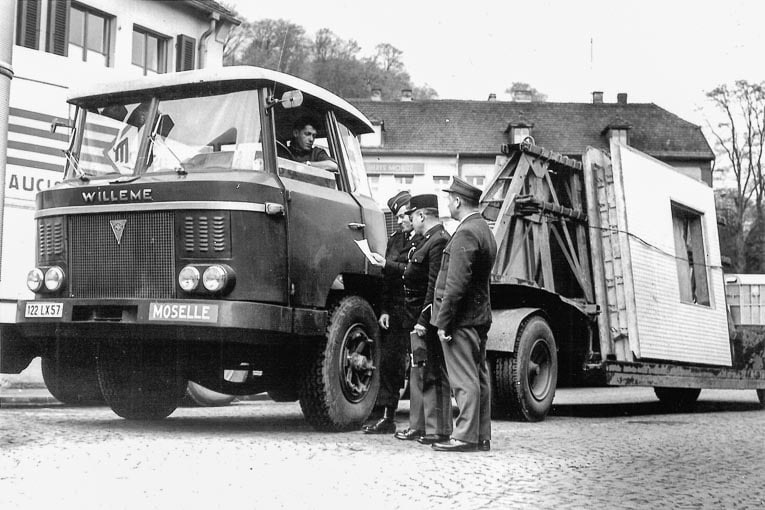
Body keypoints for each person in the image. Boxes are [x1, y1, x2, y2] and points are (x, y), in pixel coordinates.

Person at [430, 176, 497, 453]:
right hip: (478, 317)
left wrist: (444, 322)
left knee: (464, 379)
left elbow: (455, 284)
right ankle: (481, 436)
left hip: (462, 319)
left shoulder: (466, 232)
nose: (448, 202)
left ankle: (465, 437)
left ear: (457, 201)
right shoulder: (483, 229)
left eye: (449, 198)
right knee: (479, 377)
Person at [392, 194, 453, 445]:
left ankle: (437, 429)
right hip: (414, 317)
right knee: (419, 372)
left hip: (424, 319)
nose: (408, 219)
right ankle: (420, 426)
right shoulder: (426, 240)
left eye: (411, 215)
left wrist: (423, 320)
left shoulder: (438, 240)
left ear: (421, 216)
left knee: (433, 373)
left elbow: (434, 286)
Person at [362, 191, 418, 434]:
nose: (401, 219)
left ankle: (422, 421)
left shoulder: (424, 239)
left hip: (415, 311)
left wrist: (389, 265)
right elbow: (388, 279)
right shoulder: (395, 240)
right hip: (395, 311)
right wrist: (384, 310)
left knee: (420, 366)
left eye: (404, 215)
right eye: (398, 215)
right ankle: (388, 416)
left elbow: (414, 271)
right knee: (390, 364)